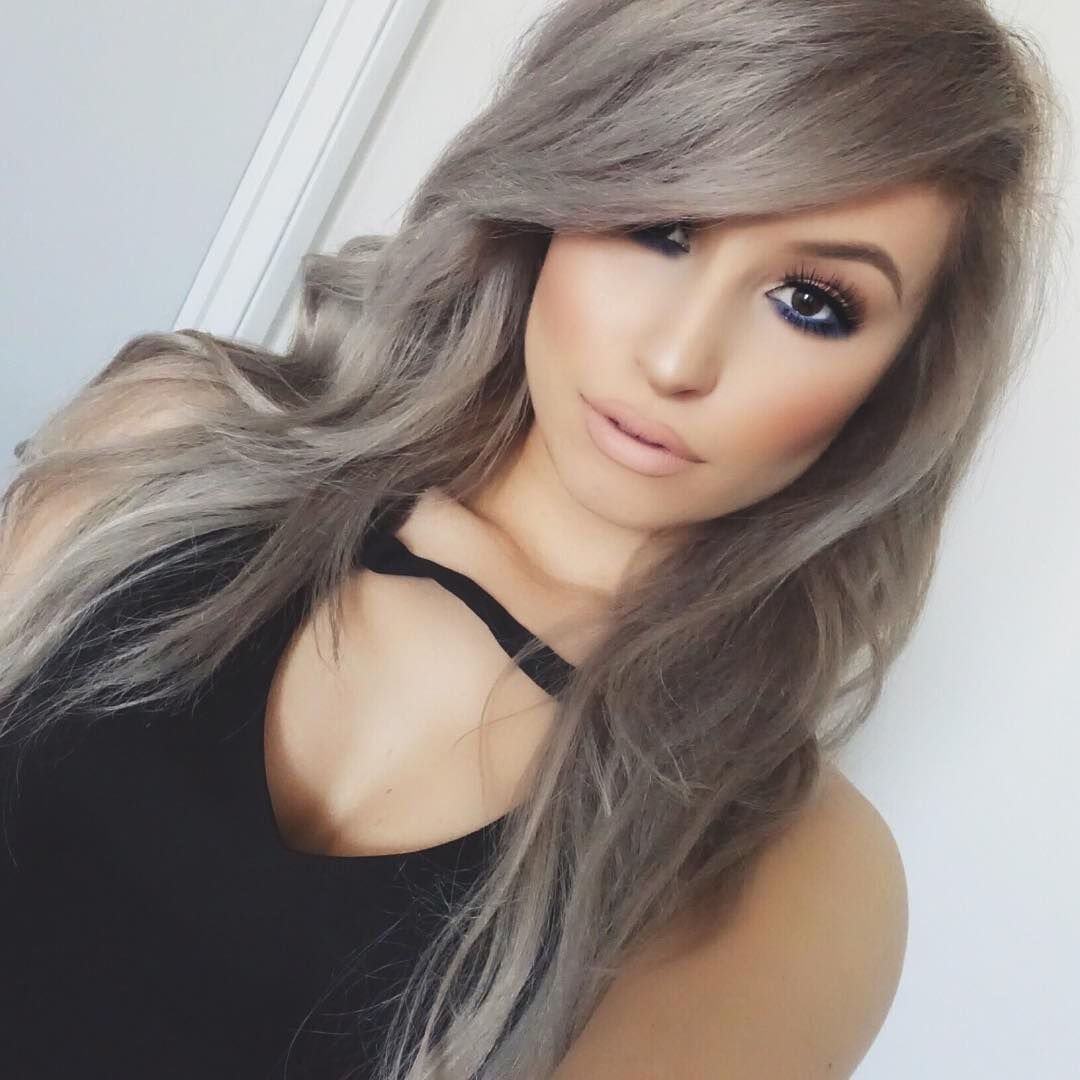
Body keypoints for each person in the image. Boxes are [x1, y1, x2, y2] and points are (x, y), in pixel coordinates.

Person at [0, 0, 1069, 1077]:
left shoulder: (790, 876)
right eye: (662, 227)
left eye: (810, 301)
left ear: (901, 379)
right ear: (560, 186)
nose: (677, 358)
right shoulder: (170, 453)